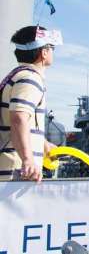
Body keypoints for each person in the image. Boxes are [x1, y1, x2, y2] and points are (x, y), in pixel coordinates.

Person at [0, 26, 61, 182]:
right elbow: (18, 118)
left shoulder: (17, 75)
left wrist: (43, 144)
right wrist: (28, 159)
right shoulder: (30, 79)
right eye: (51, 47)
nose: (53, 51)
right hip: (16, 169)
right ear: (44, 52)